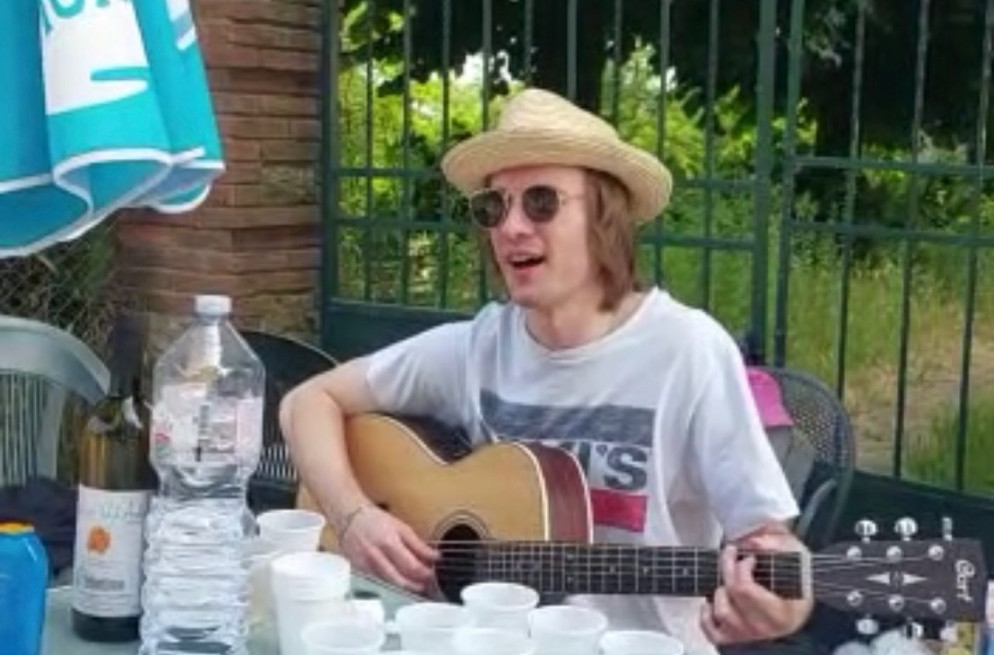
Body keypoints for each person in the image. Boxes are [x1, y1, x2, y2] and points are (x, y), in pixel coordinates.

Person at [279, 87, 815, 654]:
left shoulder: (688, 350)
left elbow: (770, 543)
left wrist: (783, 608)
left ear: (605, 218)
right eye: (494, 206)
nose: (510, 227)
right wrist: (355, 518)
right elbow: (306, 402)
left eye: (541, 202)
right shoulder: (479, 347)